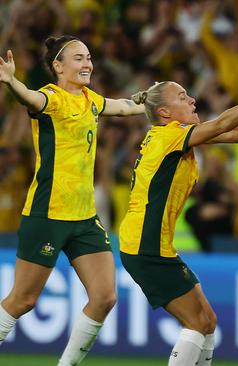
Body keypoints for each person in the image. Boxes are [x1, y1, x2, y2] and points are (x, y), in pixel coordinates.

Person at [119, 78, 238, 366]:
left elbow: (236, 132)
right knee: (197, 323)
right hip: (145, 247)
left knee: (208, 321)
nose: (192, 100)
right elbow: (223, 123)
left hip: (152, 246)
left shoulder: (174, 135)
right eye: (183, 97)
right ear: (165, 112)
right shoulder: (169, 136)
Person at [0, 35, 145, 366]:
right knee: (22, 300)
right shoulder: (51, 99)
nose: (87, 64)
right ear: (58, 66)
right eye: (78, 58)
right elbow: (29, 98)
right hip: (48, 214)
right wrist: (11, 82)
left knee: (105, 296)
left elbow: (122, 107)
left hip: (84, 218)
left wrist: (151, 101)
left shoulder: (90, 99)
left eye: (89, 58)